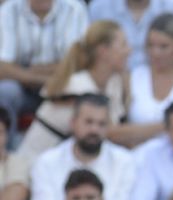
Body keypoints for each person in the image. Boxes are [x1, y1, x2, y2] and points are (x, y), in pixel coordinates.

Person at [20, 21, 130, 167]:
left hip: (70, 165)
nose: (129, 50)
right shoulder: (77, 85)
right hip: (36, 164)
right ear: (103, 51)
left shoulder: (113, 82)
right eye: (123, 45)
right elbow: (112, 133)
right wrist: (159, 128)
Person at [30, 95, 135, 200]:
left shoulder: (125, 161)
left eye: (101, 124)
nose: (94, 129)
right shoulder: (47, 162)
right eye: (88, 122)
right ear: (73, 123)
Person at [0, 0, 90, 129]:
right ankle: (6, 142)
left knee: (80, 86)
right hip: (24, 88)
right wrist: (47, 79)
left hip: (62, 85)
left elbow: (78, 62)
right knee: (5, 91)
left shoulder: (74, 9)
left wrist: (24, 71)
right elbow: (3, 67)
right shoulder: (8, 9)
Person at [124, 15, 173, 150]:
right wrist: (169, 126)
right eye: (151, 45)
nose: (155, 53)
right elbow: (115, 130)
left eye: (164, 46)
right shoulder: (133, 77)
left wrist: (138, 132)